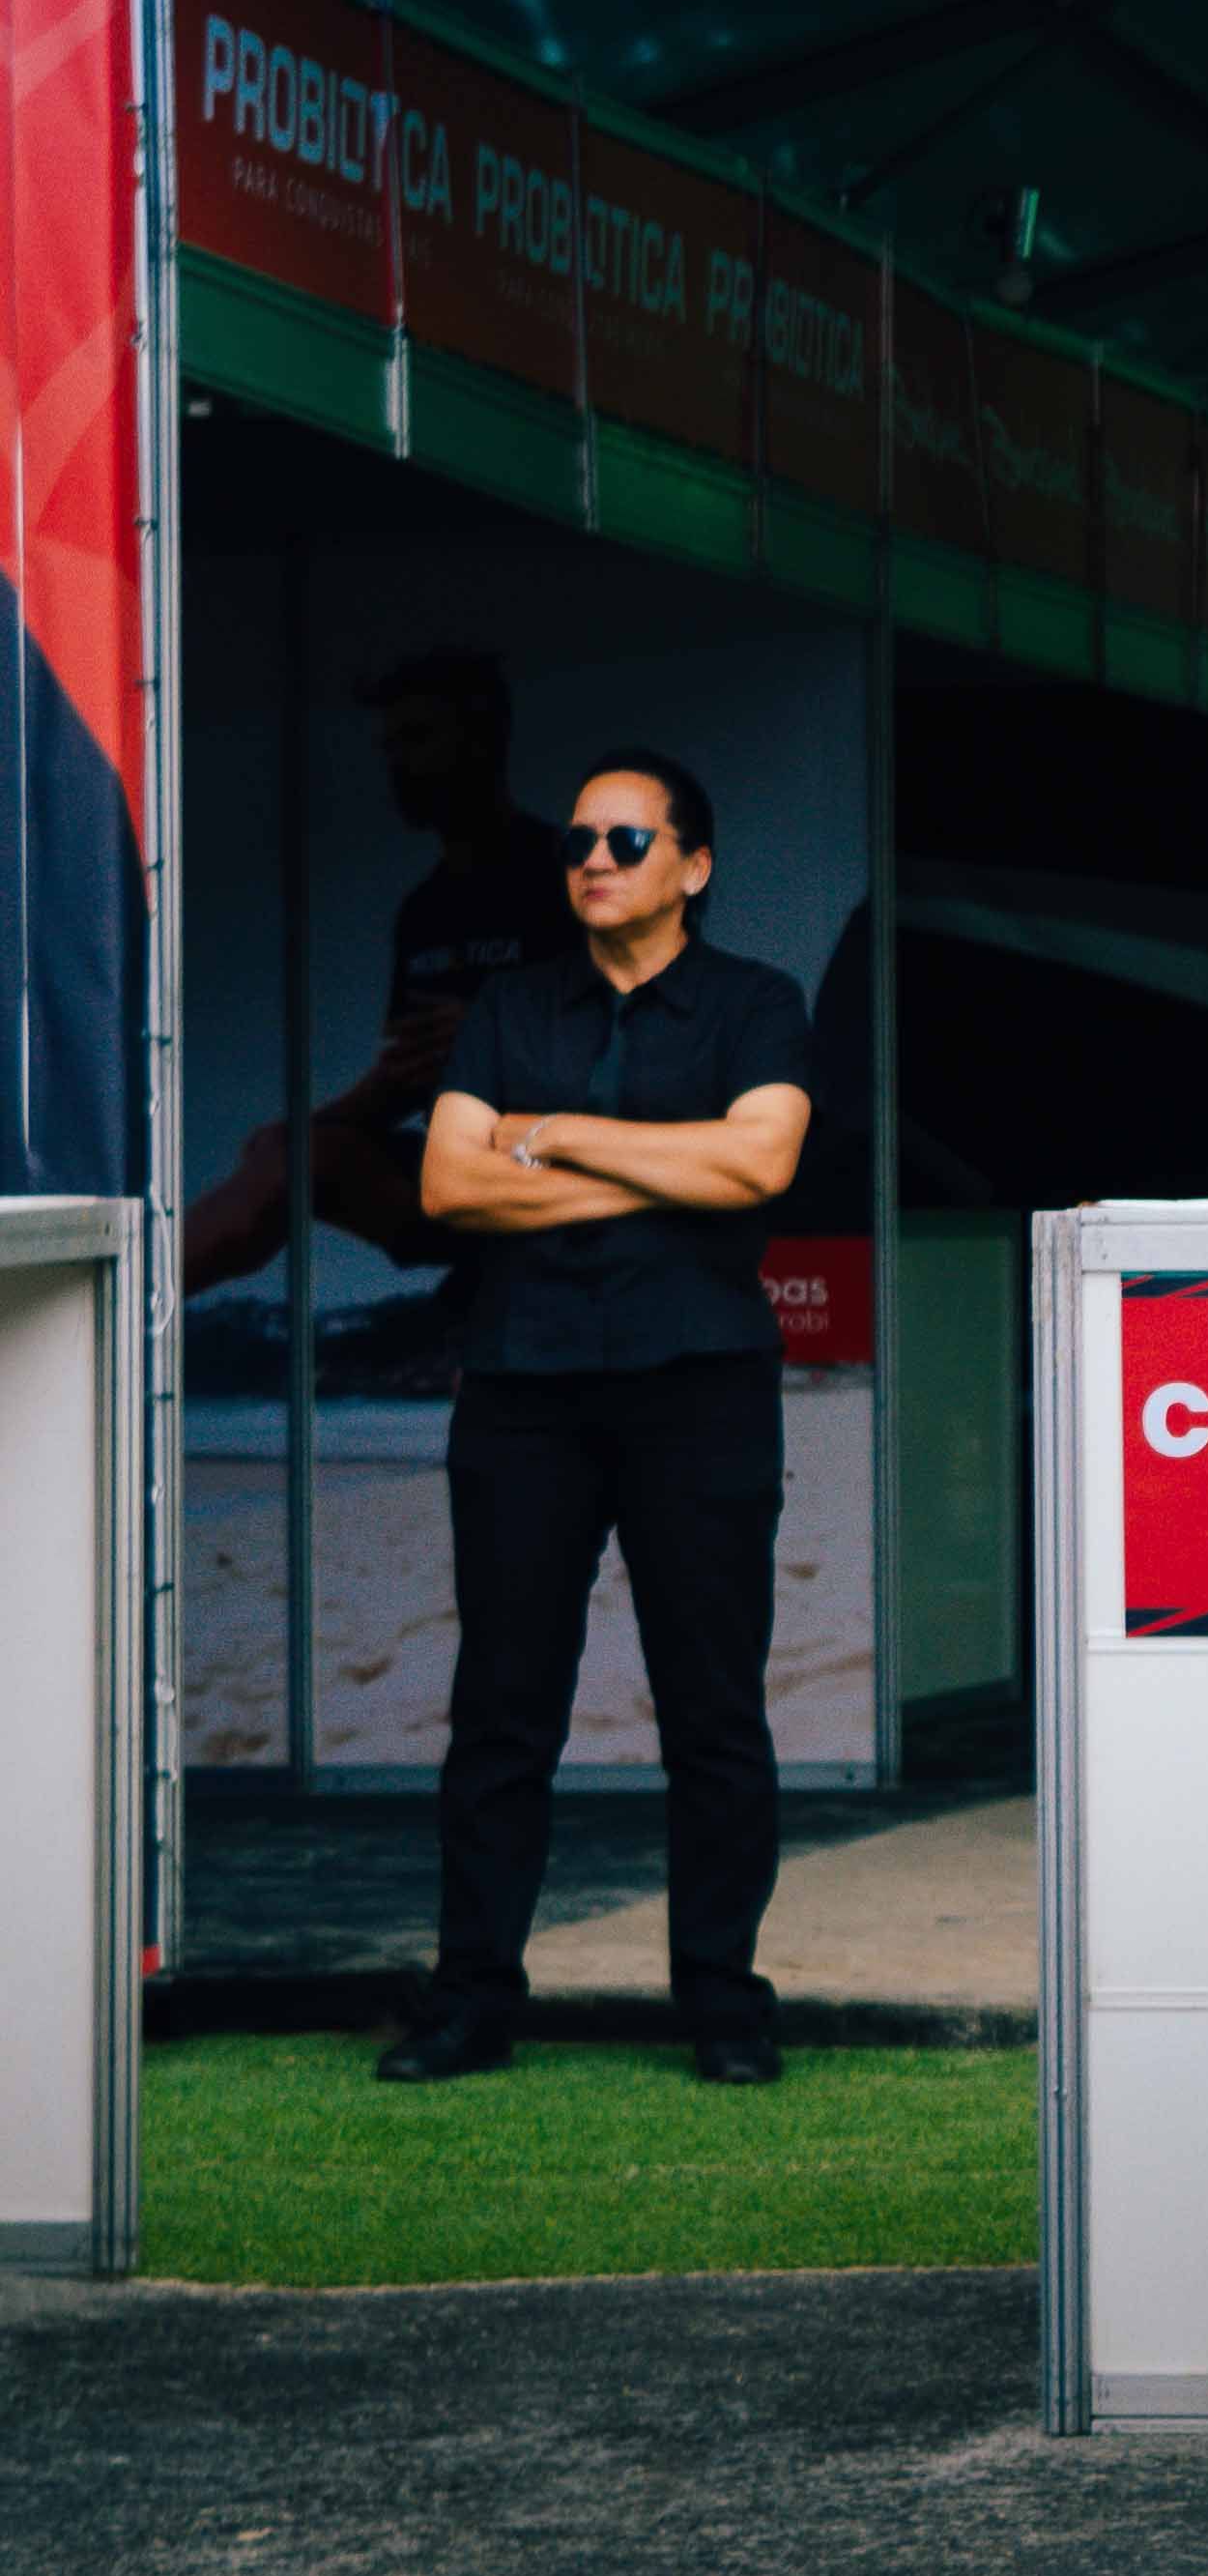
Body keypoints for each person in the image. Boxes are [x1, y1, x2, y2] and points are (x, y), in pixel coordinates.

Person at [377, 750, 815, 2086]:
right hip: (524, 1387)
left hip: (701, 1387)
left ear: (694, 864)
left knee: (713, 1709)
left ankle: (723, 2003)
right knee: (502, 1708)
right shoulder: (511, 1004)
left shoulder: (755, 1002)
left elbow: (761, 1160)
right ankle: (470, 2001)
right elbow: (449, 1186)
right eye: (578, 839)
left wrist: (555, 1131)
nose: (593, 860)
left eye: (627, 840)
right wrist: (673, 1169)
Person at [188, 649, 569, 1314]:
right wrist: (303, 1130)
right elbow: (406, 1078)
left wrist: (496, 1037)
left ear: (482, 739)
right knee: (290, 1157)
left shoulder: (571, 879)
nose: (398, 763)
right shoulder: (425, 910)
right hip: (464, 1176)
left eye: (417, 738)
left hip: (576, 1180)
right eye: (389, 746)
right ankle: (131, 1295)